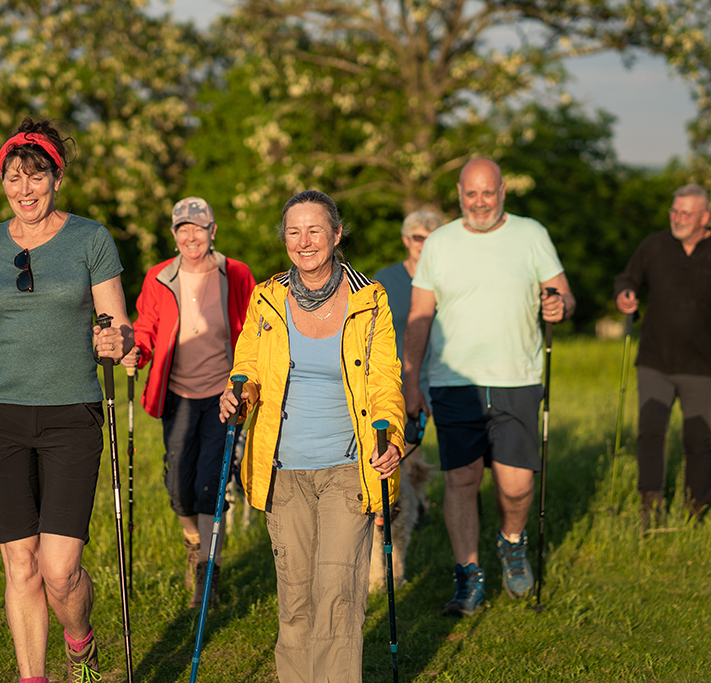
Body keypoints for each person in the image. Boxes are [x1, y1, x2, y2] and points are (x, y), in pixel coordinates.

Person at [0, 117, 133, 683]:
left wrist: (115, 341)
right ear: (4, 182)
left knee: (60, 571)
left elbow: (120, 327)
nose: (25, 189)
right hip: (0, 418)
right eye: (15, 178)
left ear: (56, 179)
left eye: (36, 177)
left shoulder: (92, 239)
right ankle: (31, 678)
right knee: (20, 563)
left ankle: (80, 641)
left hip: (73, 414)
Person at [219, 190, 405, 683]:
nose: (304, 242)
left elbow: (386, 380)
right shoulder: (266, 298)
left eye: (315, 230)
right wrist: (239, 394)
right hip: (283, 472)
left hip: (348, 468)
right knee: (297, 599)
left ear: (336, 235)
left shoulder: (369, 299)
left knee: (338, 596)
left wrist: (393, 439)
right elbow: (249, 367)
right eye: (294, 231)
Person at [402, 158, 574, 617]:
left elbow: (563, 292)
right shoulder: (439, 243)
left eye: (489, 193)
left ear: (503, 191)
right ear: (459, 193)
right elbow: (419, 315)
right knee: (461, 478)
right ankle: (468, 579)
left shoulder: (531, 234)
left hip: (517, 377)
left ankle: (512, 544)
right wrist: (410, 379)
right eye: (471, 194)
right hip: (455, 381)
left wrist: (559, 305)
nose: (480, 203)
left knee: (515, 487)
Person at [121, 196, 255, 608]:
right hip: (177, 394)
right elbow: (146, 326)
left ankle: (206, 569)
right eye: (183, 228)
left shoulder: (235, 273)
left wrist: (248, 381)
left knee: (211, 483)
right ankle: (193, 546)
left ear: (213, 231)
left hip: (223, 395)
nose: (191, 235)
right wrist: (135, 351)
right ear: (175, 234)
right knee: (179, 486)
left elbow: (253, 329)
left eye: (199, 227)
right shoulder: (160, 276)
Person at [614, 183, 711, 527]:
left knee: (698, 438)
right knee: (650, 431)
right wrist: (625, 295)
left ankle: (697, 507)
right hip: (654, 359)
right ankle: (650, 506)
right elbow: (627, 278)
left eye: (685, 213)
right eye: (674, 211)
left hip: (701, 362)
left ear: (704, 217)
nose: (677, 218)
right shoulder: (654, 245)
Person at [373, 209, 444, 389]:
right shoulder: (385, 280)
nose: (424, 245)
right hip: (394, 379)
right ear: (406, 240)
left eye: (431, 239)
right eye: (418, 238)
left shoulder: (448, 280)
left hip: (441, 379)